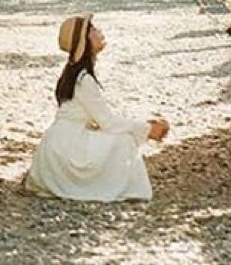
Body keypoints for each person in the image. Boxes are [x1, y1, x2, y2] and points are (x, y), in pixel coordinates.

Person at [23, 14, 170, 201]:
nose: (99, 31)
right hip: (67, 146)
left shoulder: (75, 72)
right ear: (84, 40)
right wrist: (147, 129)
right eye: (92, 29)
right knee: (123, 141)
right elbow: (107, 122)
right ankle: (119, 189)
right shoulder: (84, 79)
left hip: (61, 141)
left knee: (119, 135)